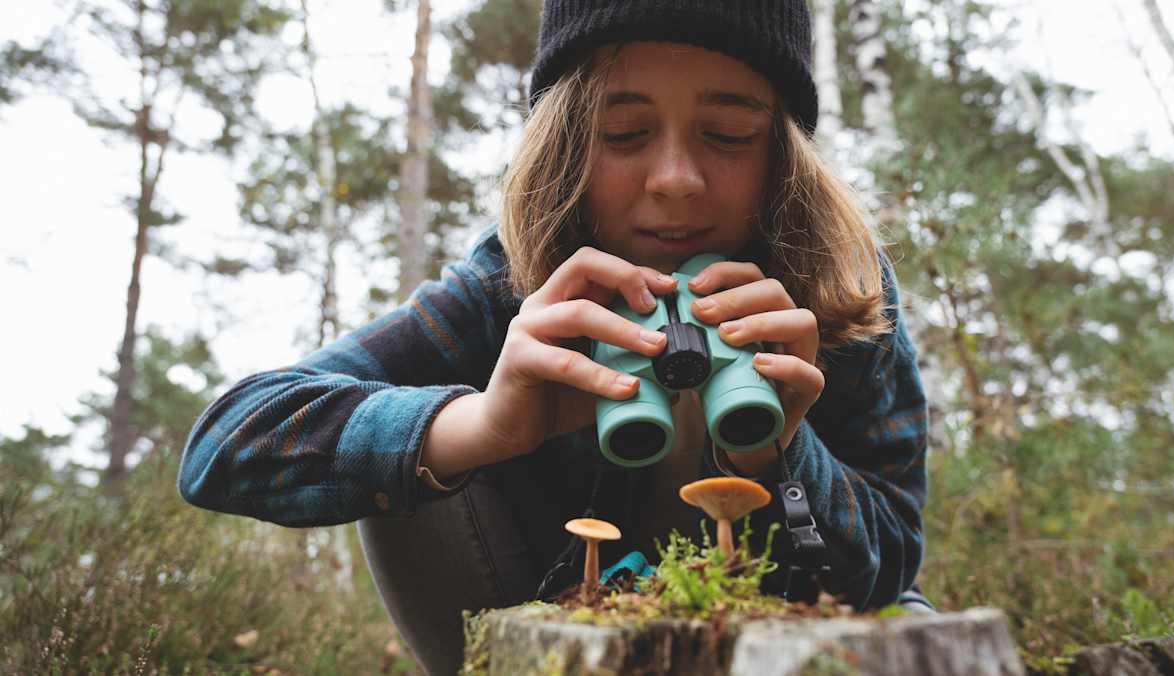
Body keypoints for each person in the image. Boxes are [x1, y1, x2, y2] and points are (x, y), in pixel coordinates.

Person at [178, 1, 930, 674]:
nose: (675, 179)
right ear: (565, 143)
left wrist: (779, 456)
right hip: (540, 634)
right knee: (408, 444)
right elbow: (224, 445)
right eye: (623, 132)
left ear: (782, 156)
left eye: (729, 135)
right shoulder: (504, 286)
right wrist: (479, 426)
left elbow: (891, 562)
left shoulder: (838, 290)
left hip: (792, 637)